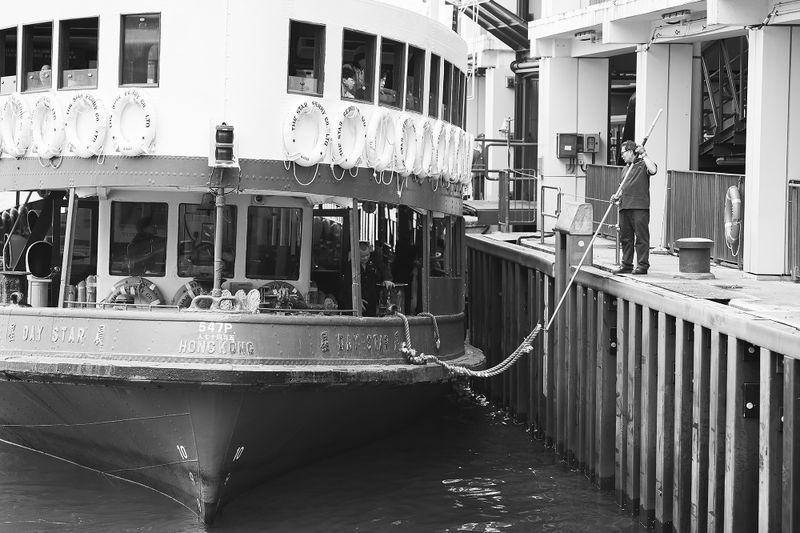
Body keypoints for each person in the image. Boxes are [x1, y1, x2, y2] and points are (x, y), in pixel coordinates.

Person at [611, 139, 658, 275]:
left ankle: (642, 265)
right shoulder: (625, 168)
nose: (622, 155)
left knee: (641, 237)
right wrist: (617, 196)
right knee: (626, 238)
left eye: (623, 152)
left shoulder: (643, 165)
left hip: (639, 207)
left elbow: (653, 169)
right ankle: (626, 264)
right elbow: (623, 187)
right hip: (625, 206)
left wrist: (644, 154)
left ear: (631, 152)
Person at [340, 241, 394, 316]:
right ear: (356, 255)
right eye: (362, 256)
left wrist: (387, 279)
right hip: (356, 301)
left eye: (367, 255)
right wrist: (356, 299)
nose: (365, 258)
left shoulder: (375, 260)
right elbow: (347, 286)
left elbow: (384, 269)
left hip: (372, 299)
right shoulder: (350, 267)